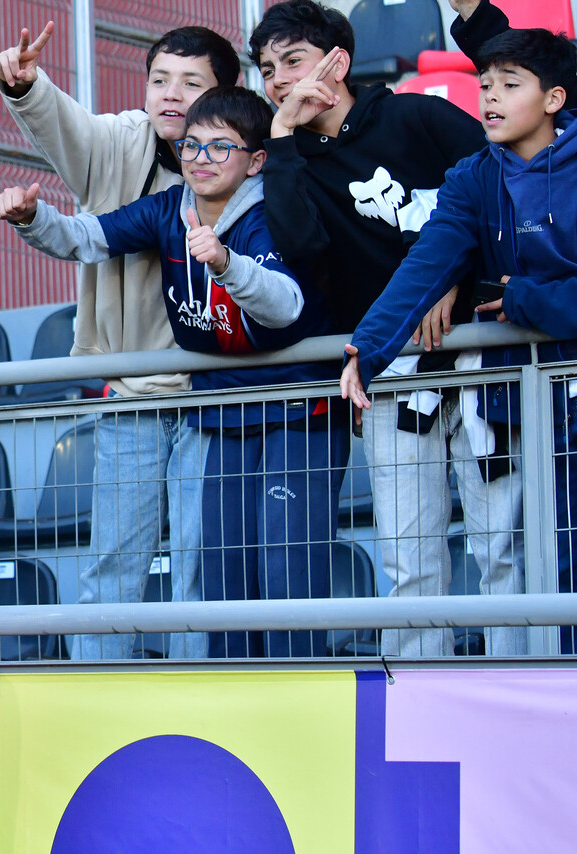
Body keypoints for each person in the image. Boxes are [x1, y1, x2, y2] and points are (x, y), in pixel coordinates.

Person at [0, 86, 345, 658]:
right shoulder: (170, 207)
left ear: (256, 160)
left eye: (220, 148)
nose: (201, 159)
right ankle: (225, 692)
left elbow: (286, 305)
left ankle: (298, 694)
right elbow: (90, 236)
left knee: (286, 570)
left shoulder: (269, 213)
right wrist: (35, 219)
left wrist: (226, 263)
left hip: (296, 406)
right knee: (224, 575)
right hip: (223, 410)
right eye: (191, 146)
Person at [251, 0, 515, 657]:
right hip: (390, 377)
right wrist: (280, 138)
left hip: (484, 362)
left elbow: (505, 186)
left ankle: (527, 682)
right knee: (407, 558)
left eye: (293, 61)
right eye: (267, 70)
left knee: (503, 547)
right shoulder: (292, 163)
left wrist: (449, 279)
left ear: (338, 62)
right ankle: (419, 699)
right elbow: (301, 248)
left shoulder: (417, 116)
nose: (279, 80)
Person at [0, 22, 240, 659]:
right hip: (132, 394)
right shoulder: (120, 141)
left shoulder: (248, 154)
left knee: (201, 567)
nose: (171, 94)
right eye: (160, 79)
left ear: (225, 95)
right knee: (112, 564)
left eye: (191, 82)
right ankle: (96, 695)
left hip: (213, 395)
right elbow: (66, 128)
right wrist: (26, 87)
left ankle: (201, 696)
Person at [342, 29, 577, 652]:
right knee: (546, 555)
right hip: (529, 399)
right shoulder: (474, 176)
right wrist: (369, 348)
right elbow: (428, 262)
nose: (490, 97)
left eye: (509, 84)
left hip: (556, 382)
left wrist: (526, 298)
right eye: (485, 84)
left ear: (554, 98)